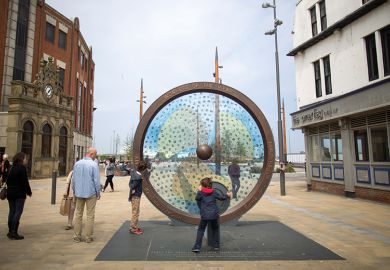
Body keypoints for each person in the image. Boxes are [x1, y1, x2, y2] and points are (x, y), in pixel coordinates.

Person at [192, 177, 232, 253]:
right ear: (210, 185)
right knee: (215, 229)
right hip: (214, 214)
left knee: (201, 230)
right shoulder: (214, 192)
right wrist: (227, 195)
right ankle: (216, 245)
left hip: (205, 215)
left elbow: (197, 198)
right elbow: (222, 198)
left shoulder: (201, 193)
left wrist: (199, 190)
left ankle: (197, 247)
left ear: (202, 185)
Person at [72, 147, 100, 243]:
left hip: (79, 192)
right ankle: (88, 237)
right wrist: (98, 192)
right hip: (90, 193)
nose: (95, 156)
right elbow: (96, 181)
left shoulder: (77, 164)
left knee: (78, 214)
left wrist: (74, 191)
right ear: (92, 154)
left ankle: (77, 236)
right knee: (90, 215)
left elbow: (73, 180)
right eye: (95, 154)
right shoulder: (93, 165)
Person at [6, 152, 32, 240]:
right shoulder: (22, 168)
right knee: (18, 212)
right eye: (25, 158)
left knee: (12, 211)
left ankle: (10, 231)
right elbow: (25, 182)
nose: (26, 160)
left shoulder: (11, 167)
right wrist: (29, 192)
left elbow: (7, 180)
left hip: (10, 192)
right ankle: (14, 232)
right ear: (21, 159)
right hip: (19, 193)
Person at [128, 161, 148, 235]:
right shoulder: (138, 177)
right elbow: (132, 186)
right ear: (143, 169)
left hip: (134, 195)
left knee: (135, 212)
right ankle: (133, 228)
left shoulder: (134, 173)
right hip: (136, 196)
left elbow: (130, 184)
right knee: (135, 213)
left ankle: (134, 226)